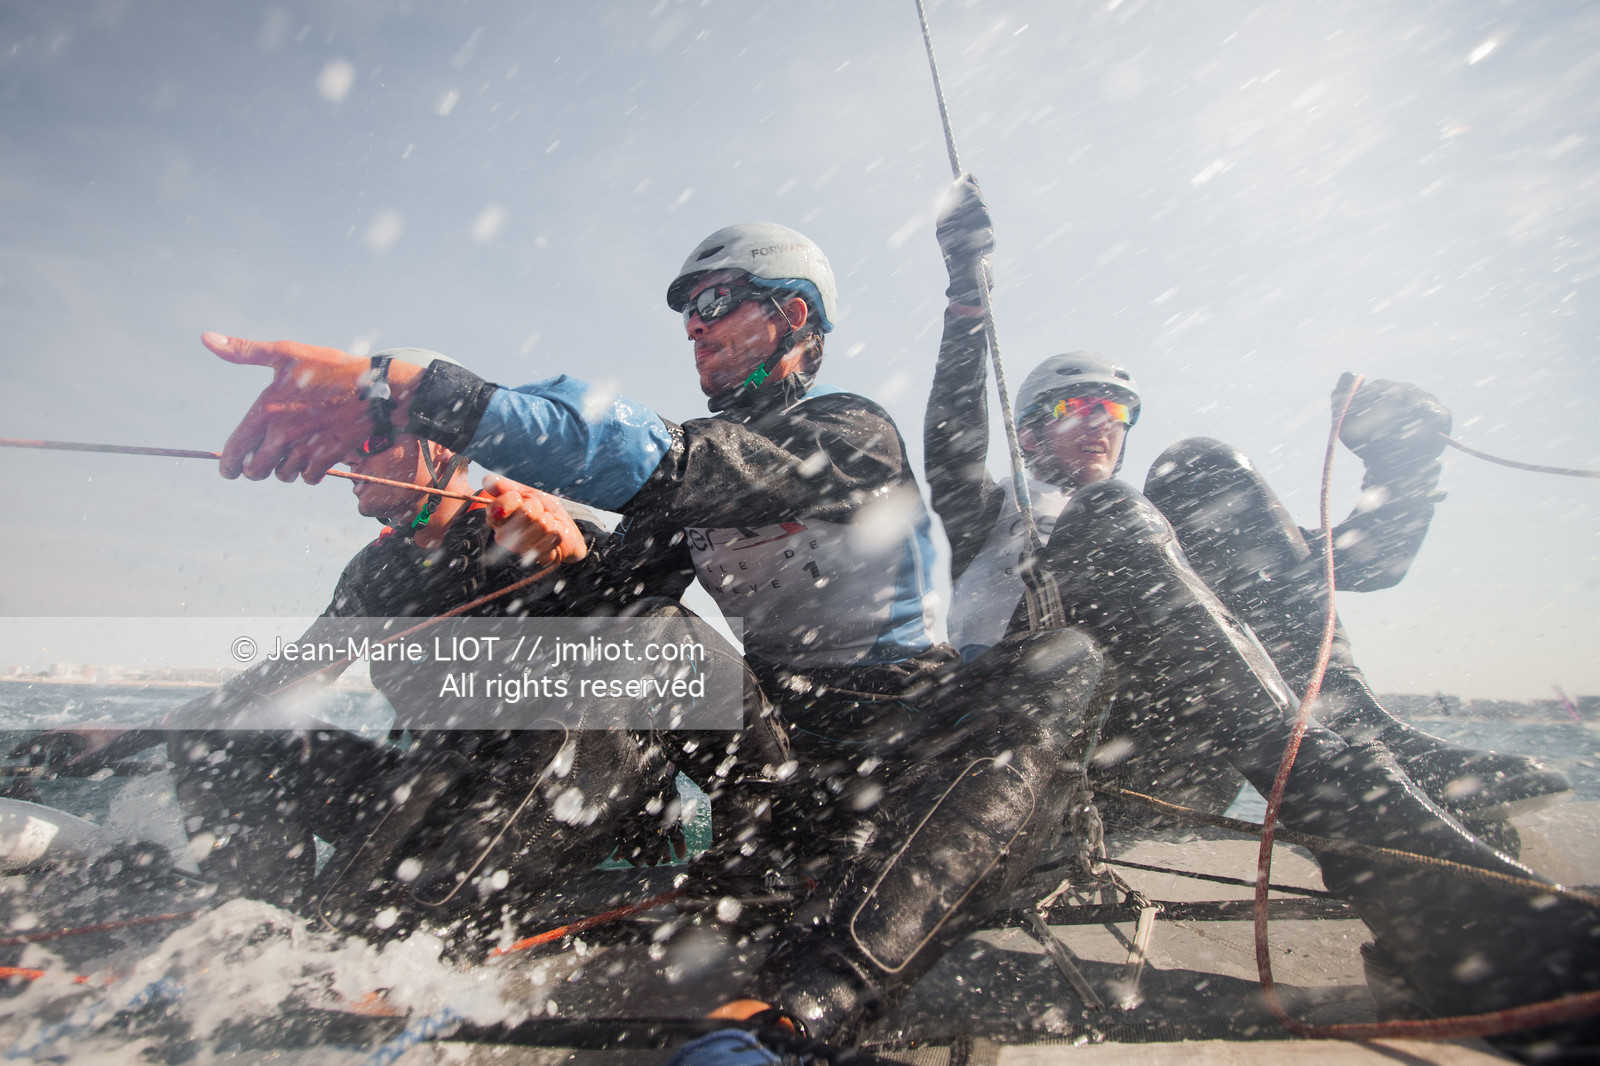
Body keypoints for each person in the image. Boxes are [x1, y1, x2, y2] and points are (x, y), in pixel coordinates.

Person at [202, 225, 1103, 1047]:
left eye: (716, 303)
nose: (695, 329)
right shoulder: (699, 477)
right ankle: (398, 930)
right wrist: (548, 549)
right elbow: (606, 608)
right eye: (686, 315)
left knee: (1067, 662)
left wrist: (432, 395)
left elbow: (675, 460)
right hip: (785, 768)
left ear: (793, 315)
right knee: (645, 635)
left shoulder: (850, 432)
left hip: (907, 750)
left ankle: (814, 1004)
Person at [923, 175, 1599, 1033]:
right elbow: (950, 426)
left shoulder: (1152, 529)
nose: (1099, 422)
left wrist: (1403, 475)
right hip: (1051, 766)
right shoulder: (987, 513)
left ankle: (1363, 743)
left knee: (1202, 464)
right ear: (1026, 433)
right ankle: (1379, 828)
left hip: (1170, 743)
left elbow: (1340, 572)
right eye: (1070, 407)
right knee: (1112, 515)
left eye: (1114, 409)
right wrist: (964, 288)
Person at [154, 350, 758, 948]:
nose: (351, 463)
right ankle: (259, 933)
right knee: (218, 728)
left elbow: (651, 630)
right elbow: (284, 679)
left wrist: (571, 557)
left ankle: (394, 940)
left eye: (370, 446)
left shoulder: (529, 522)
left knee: (638, 637)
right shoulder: (375, 573)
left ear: (439, 448)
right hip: (442, 796)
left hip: (567, 802)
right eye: (349, 450)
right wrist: (162, 728)